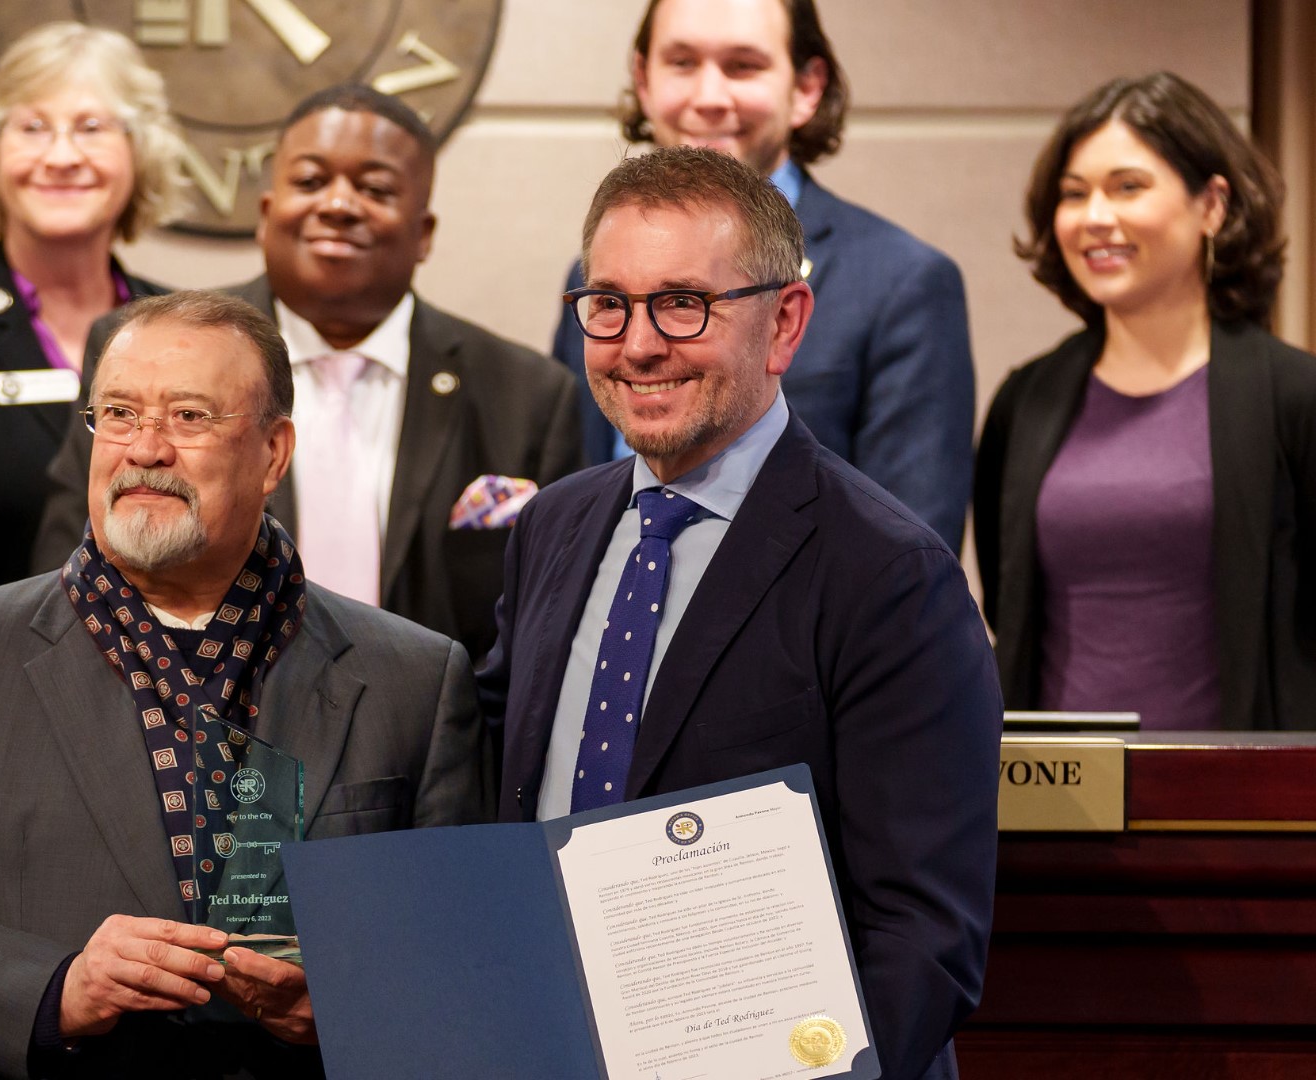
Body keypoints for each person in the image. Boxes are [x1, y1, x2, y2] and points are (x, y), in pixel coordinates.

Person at [0, 291, 491, 1078]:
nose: (146, 449)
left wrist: (356, 1001)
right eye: (120, 414)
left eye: (191, 417)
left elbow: (463, 962)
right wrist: (57, 989)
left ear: (274, 453)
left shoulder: (415, 675)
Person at [480, 146, 1001, 1080]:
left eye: (684, 303)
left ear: (785, 322)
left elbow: (924, 934)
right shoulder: (552, 525)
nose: (638, 343)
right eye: (609, 303)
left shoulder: (889, 575)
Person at [37, 84, 583, 659]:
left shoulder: (529, 395)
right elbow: (69, 573)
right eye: (310, 181)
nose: (339, 205)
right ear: (267, 213)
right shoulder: (144, 352)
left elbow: (545, 628)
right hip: (181, 715)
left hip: (428, 738)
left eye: (374, 188)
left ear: (423, 233)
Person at [553, 0, 975, 550]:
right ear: (644, 79)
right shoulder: (594, 281)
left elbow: (913, 552)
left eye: (742, 66)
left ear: (806, 87)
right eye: (681, 62)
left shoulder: (903, 282)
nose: (708, 97)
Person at [976, 72, 1314, 731]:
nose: (1096, 217)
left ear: (1212, 204)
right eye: (1075, 195)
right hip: (1055, 806)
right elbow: (1005, 601)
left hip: (1246, 808)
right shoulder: (1026, 400)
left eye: (1128, 186)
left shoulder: (1294, 396)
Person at [0, 23, 179, 596]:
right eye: (33, 127)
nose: (61, 156)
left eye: (91, 128)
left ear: (140, 153)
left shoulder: (186, 335)